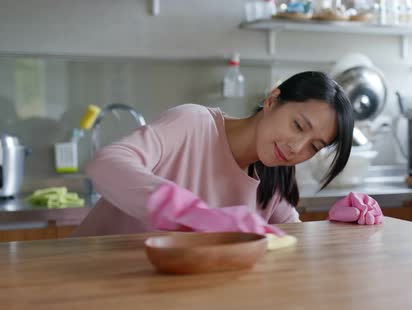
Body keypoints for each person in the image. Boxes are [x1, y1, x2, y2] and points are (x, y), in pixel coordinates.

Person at [72, 71, 354, 237]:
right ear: (271, 101)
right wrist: (186, 211)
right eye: (298, 126)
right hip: (84, 278)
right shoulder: (193, 123)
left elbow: (291, 240)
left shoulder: (274, 173)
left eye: (314, 146)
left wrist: (337, 226)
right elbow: (107, 163)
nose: (297, 148)